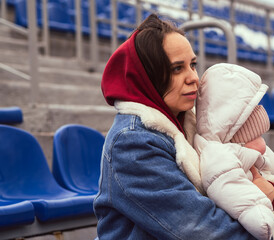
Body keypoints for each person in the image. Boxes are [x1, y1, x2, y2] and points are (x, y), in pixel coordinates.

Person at [93, 14, 259, 239]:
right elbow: (199, 229)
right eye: (177, 69)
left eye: (193, 65)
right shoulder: (132, 142)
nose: (194, 78)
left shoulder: (188, 123)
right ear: (148, 76)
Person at [193, 63, 274, 240]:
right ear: (234, 130)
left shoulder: (240, 145)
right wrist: (258, 215)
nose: (261, 145)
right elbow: (230, 185)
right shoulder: (216, 153)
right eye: (251, 138)